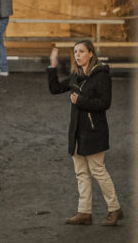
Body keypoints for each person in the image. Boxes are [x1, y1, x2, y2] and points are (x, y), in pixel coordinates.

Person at [48, 41, 123, 226]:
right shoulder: (76, 75)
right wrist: (53, 65)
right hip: (76, 132)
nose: (77, 55)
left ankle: (115, 209)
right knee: (81, 172)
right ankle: (84, 212)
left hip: (94, 131)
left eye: (81, 51)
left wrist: (80, 100)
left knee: (98, 170)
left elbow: (105, 103)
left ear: (90, 53)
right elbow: (55, 88)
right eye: (75, 52)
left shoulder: (101, 76)